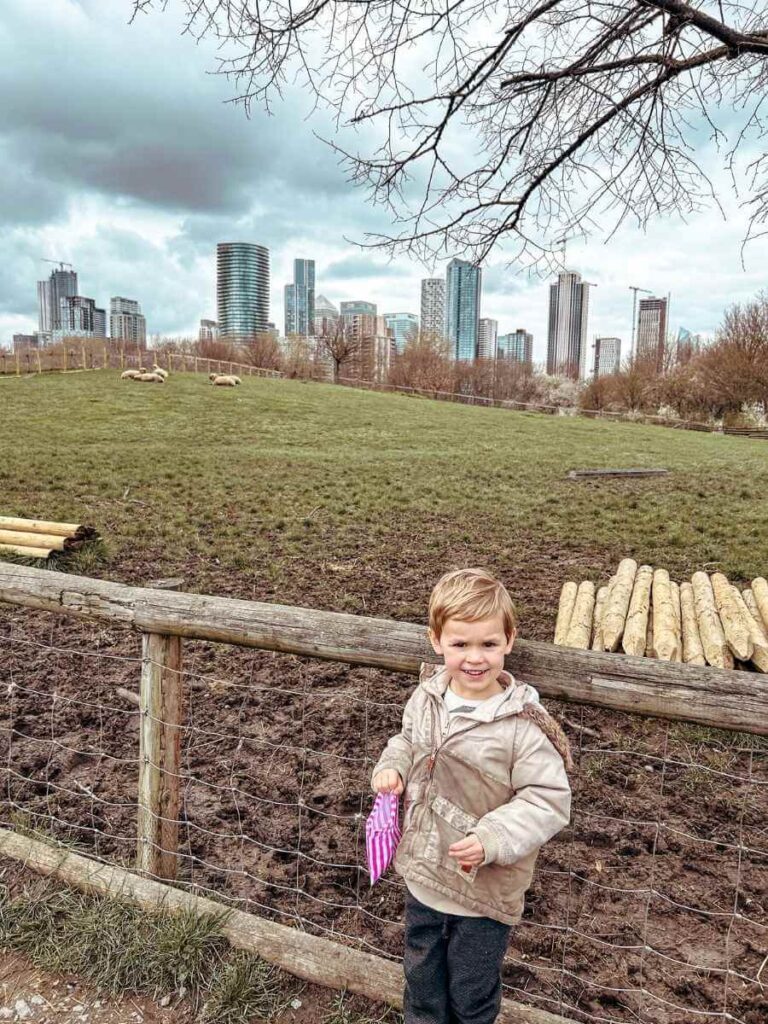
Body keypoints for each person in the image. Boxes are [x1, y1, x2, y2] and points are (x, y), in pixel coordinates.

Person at [372, 567, 572, 1024]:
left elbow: (548, 799)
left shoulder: (522, 725)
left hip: (483, 892)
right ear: (436, 640)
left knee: (472, 993)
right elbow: (407, 741)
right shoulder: (426, 698)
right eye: (460, 644)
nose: (475, 658)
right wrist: (392, 766)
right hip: (424, 872)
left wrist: (492, 838)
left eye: (488, 644)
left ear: (510, 640)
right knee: (421, 982)